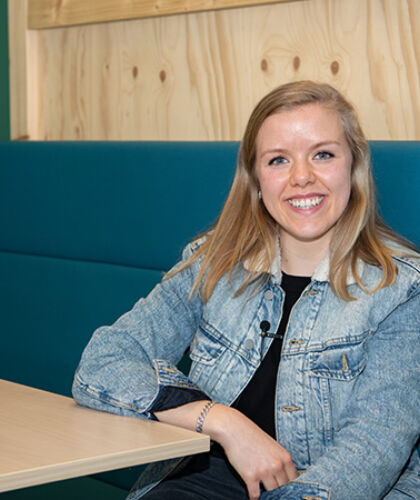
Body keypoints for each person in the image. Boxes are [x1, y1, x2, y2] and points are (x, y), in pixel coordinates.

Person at [72, 81, 420, 500]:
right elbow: (102, 363)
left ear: (354, 166)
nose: (302, 177)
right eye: (278, 160)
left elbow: (374, 446)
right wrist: (224, 423)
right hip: (204, 475)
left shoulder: (403, 288)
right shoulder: (213, 261)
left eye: (323, 154)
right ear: (256, 179)